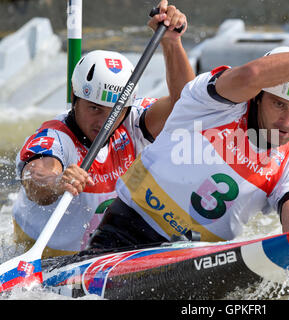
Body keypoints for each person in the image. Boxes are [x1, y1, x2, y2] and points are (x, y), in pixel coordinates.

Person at [88, 27, 289, 282]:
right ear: (259, 97)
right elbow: (253, 74)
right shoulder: (213, 103)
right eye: (278, 104)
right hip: (124, 237)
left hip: (193, 267)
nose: (286, 121)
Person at [12, 1, 195, 258]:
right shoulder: (55, 138)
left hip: (105, 248)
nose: (103, 122)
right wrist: (58, 181)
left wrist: (172, 42)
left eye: (114, 111)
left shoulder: (135, 121)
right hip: (46, 253)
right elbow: (37, 177)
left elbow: (186, 105)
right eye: (94, 109)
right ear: (75, 99)